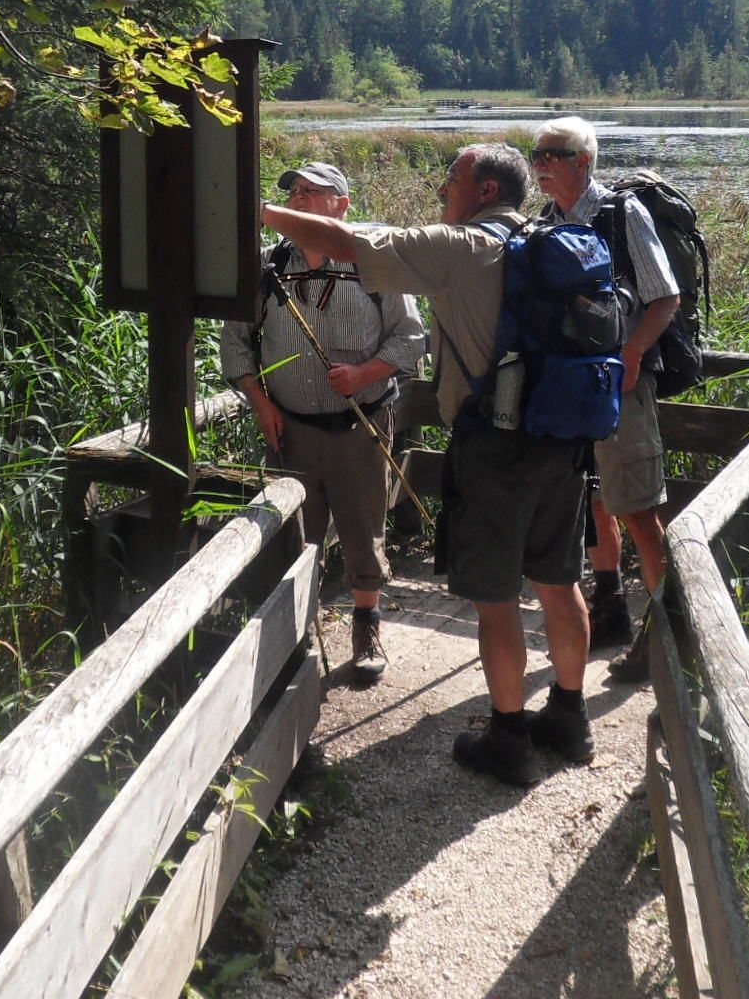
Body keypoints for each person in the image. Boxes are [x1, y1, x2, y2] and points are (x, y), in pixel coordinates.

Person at [262, 143, 594, 788]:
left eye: (453, 179)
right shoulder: (554, 236)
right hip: (562, 438)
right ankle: (570, 717)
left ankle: (507, 736)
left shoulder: (465, 246)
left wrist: (261, 209)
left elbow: (345, 239)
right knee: (558, 584)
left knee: (496, 600)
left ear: (487, 191)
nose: (443, 189)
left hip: (496, 446)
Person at [221, 162, 426, 685]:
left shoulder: (374, 262)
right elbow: (236, 347)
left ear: (343, 206)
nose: (302, 198)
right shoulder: (266, 266)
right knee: (295, 534)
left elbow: (410, 338)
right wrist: (260, 404)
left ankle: (366, 626)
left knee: (363, 527)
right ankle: (294, 638)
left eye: (315, 192)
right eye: (294, 191)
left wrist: (365, 373)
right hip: (290, 429)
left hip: (361, 423)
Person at [532, 116, 681, 684]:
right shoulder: (547, 221)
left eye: (554, 153)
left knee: (638, 509)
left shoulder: (622, 214)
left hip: (621, 383)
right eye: (536, 152)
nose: (541, 162)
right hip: (573, 387)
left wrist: (635, 355)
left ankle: (663, 635)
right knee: (592, 499)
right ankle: (612, 608)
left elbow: (664, 295)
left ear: (584, 161)